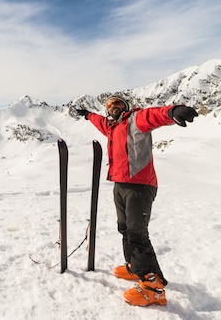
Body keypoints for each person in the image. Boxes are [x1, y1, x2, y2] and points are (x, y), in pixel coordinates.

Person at [75, 94, 198, 307]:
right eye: (109, 104)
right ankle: (135, 266)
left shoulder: (136, 119)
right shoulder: (112, 127)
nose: (113, 106)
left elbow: (155, 115)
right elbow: (100, 122)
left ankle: (153, 288)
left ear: (126, 106)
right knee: (124, 229)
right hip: (120, 184)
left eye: (118, 102)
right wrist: (88, 115)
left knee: (137, 234)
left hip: (140, 186)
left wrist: (173, 111)